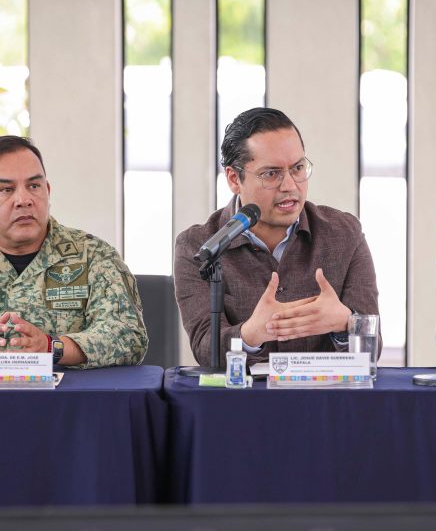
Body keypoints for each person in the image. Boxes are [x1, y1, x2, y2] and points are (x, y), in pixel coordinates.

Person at [174, 107, 380, 366]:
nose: (290, 186)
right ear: (234, 179)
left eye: (298, 168)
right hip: (244, 392)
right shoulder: (200, 246)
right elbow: (205, 348)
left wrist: (345, 323)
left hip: (324, 391)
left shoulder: (345, 234)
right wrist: (251, 333)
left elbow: (372, 351)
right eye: (271, 173)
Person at [0, 135, 148, 367]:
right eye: (6, 189)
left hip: (70, 390)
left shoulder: (93, 254)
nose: (23, 200)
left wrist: (52, 347)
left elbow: (128, 336)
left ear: (48, 191)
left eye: (34, 186)